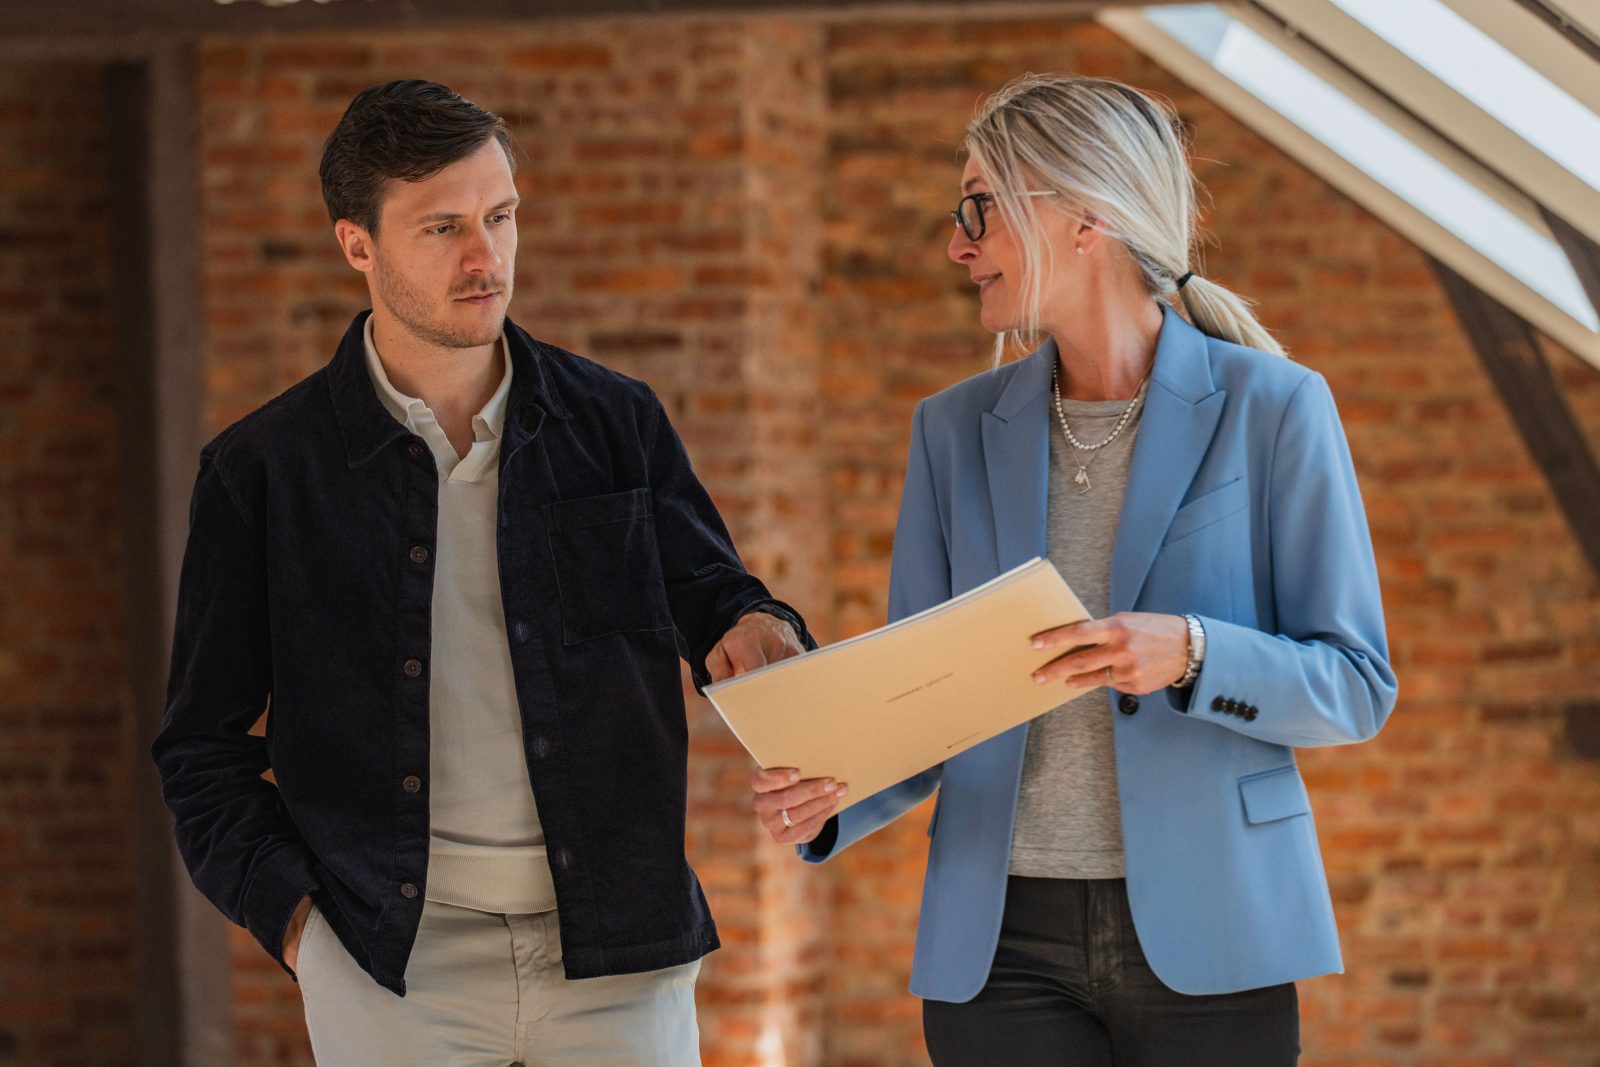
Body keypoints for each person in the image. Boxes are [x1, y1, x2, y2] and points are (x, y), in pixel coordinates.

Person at [152, 79, 810, 1067]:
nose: (485, 256)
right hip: (389, 962)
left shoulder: (616, 421)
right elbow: (201, 745)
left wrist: (764, 632)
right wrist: (301, 926)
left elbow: (718, 600)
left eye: (500, 216)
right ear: (357, 245)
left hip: (615, 952)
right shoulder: (263, 472)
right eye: (444, 227)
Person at [751, 73, 1397, 1065]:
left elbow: (1353, 686)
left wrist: (1190, 651)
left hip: (1216, 929)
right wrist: (833, 787)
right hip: (998, 946)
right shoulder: (953, 430)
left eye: (980, 208)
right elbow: (920, 696)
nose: (957, 245)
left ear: (1081, 216)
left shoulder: (1275, 407)